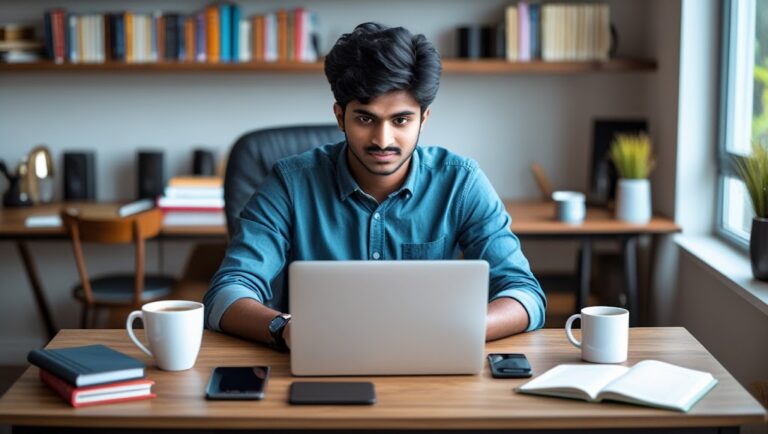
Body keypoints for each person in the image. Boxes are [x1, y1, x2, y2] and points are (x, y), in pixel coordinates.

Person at [203, 22, 546, 352]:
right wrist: (286, 329)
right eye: (366, 119)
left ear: (423, 119)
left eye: (401, 120)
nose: (383, 140)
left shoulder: (461, 182)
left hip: (432, 363)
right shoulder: (290, 183)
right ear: (340, 117)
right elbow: (226, 294)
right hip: (318, 360)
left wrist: (459, 332)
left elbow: (524, 294)